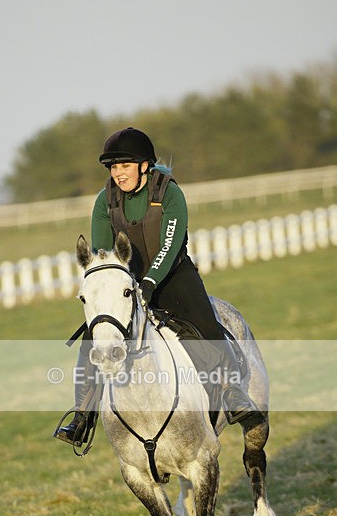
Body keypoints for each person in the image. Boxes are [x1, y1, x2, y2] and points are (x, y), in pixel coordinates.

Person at [54, 127, 259, 446]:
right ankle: (82, 415)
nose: (118, 174)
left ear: (144, 166)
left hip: (174, 273)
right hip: (129, 280)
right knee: (93, 336)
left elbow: (170, 243)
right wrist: (122, 284)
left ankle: (233, 393)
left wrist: (150, 282)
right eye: (113, 167)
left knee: (205, 323)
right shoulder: (104, 201)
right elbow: (105, 255)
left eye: (124, 166)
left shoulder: (169, 193)